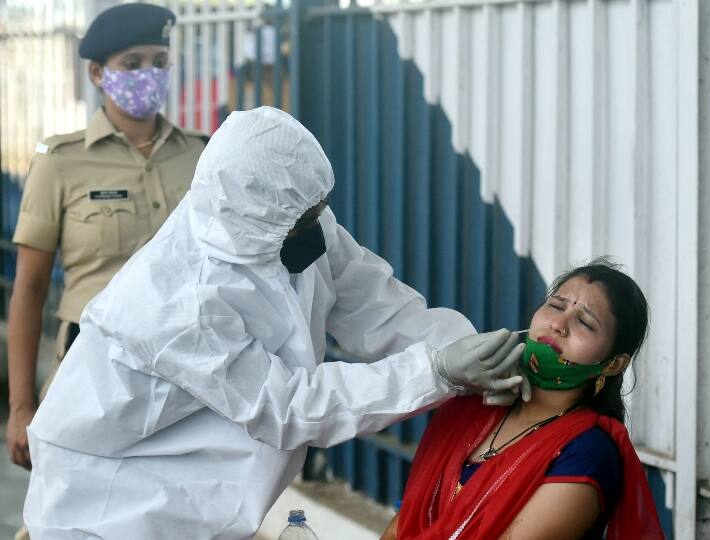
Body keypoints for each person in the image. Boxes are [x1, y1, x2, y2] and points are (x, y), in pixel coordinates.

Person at [22, 106, 525, 539]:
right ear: (257, 221)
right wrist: (435, 372)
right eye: (307, 219)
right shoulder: (176, 304)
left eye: (319, 209)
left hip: (198, 498)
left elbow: (376, 302)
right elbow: (288, 407)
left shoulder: (292, 214)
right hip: (110, 508)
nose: (321, 224)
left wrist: (472, 353)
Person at [5, 2, 207, 472]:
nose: (148, 75)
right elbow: (29, 289)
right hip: (89, 372)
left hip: (187, 373)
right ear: (97, 74)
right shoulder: (61, 161)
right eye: (131, 64)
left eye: (158, 62)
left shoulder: (201, 155)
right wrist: (20, 408)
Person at [382, 259, 664, 539]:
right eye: (556, 305)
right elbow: (401, 524)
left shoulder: (588, 453)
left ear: (613, 365)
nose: (558, 324)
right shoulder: (469, 406)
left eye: (585, 322)